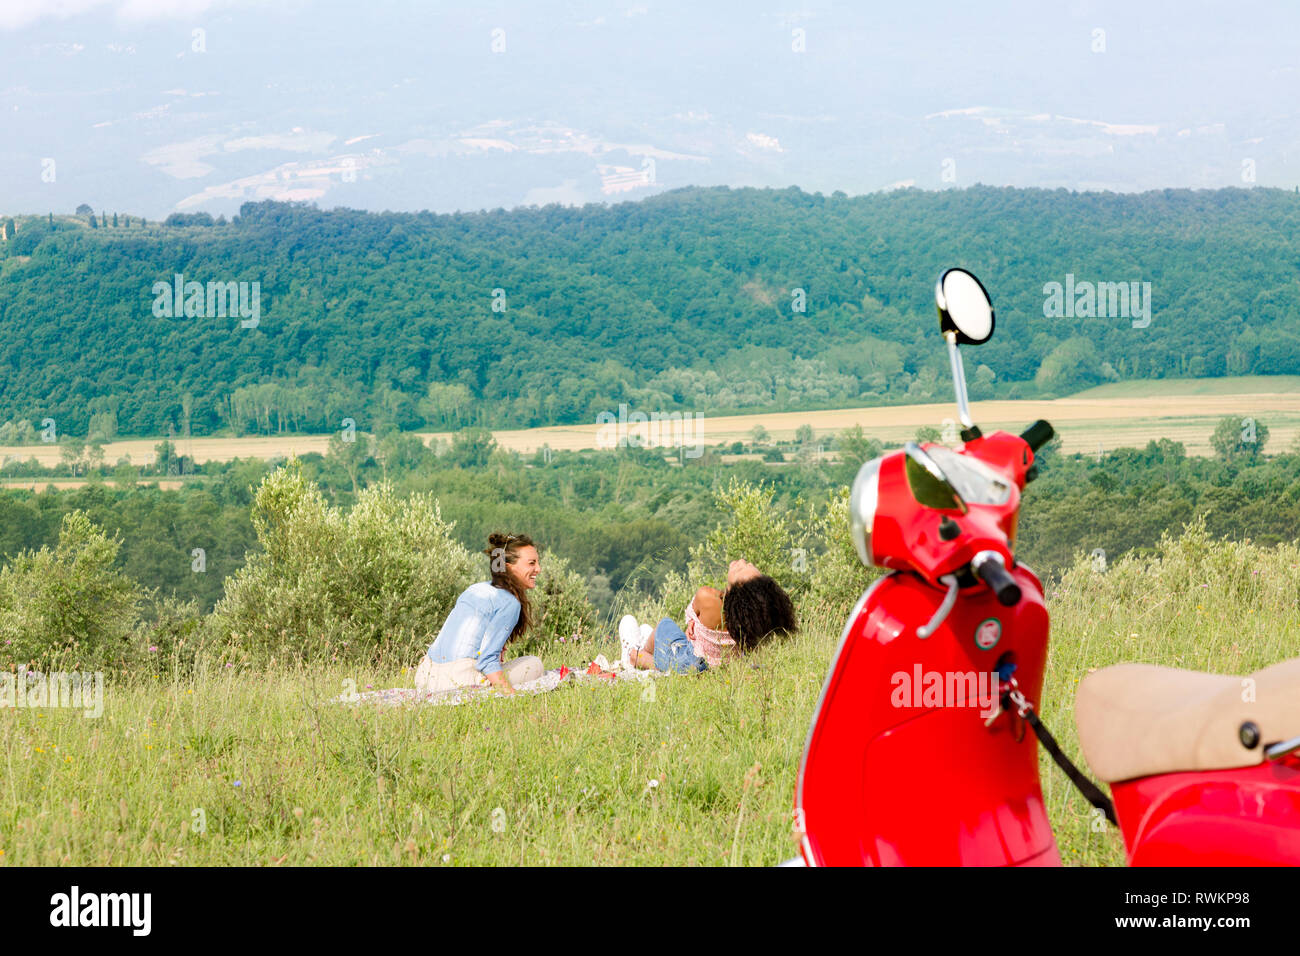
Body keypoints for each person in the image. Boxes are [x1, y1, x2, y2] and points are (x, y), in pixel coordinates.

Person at [413, 532, 544, 696]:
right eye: (532, 563)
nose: (538, 569)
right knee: (533, 664)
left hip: (425, 677)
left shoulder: (476, 589)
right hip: (455, 682)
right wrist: (513, 696)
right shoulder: (510, 603)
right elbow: (487, 661)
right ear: (509, 566)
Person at [622, 558, 797, 673]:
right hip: (723, 668)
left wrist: (691, 621)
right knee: (654, 632)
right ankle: (647, 643)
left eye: (741, 569)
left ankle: (637, 655)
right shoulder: (752, 620)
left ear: (739, 592)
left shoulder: (707, 597)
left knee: (664, 624)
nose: (741, 561)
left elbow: (691, 613)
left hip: (690, 662)